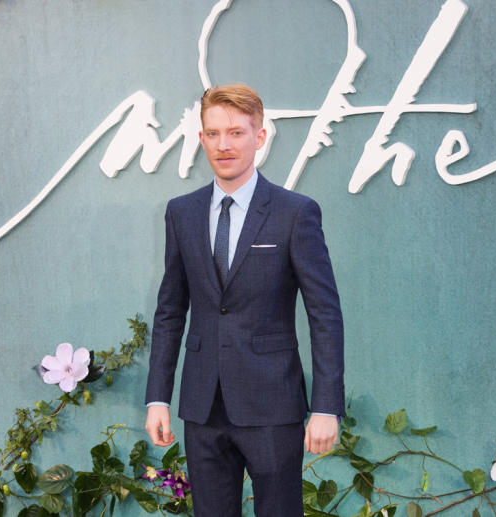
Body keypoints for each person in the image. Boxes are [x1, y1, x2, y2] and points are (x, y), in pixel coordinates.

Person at [144, 84, 344, 517]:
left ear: (260, 136)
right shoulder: (182, 212)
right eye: (213, 134)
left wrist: (327, 405)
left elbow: (324, 313)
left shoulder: (295, 212)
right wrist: (157, 397)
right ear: (200, 140)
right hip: (202, 405)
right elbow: (170, 311)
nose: (224, 144)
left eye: (236, 132)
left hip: (272, 403)